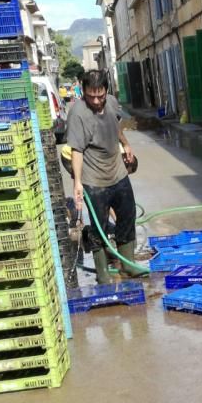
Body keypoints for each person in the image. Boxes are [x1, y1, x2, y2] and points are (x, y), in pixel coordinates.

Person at [66, 70, 139, 284]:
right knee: (100, 226)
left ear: (106, 91)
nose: (97, 101)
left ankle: (128, 265)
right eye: (91, 96)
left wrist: (125, 143)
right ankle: (102, 273)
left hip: (117, 171)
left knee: (128, 215)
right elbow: (76, 151)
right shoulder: (77, 113)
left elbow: (115, 125)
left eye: (100, 95)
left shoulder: (112, 102)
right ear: (83, 92)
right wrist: (78, 182)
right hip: (93, 178)